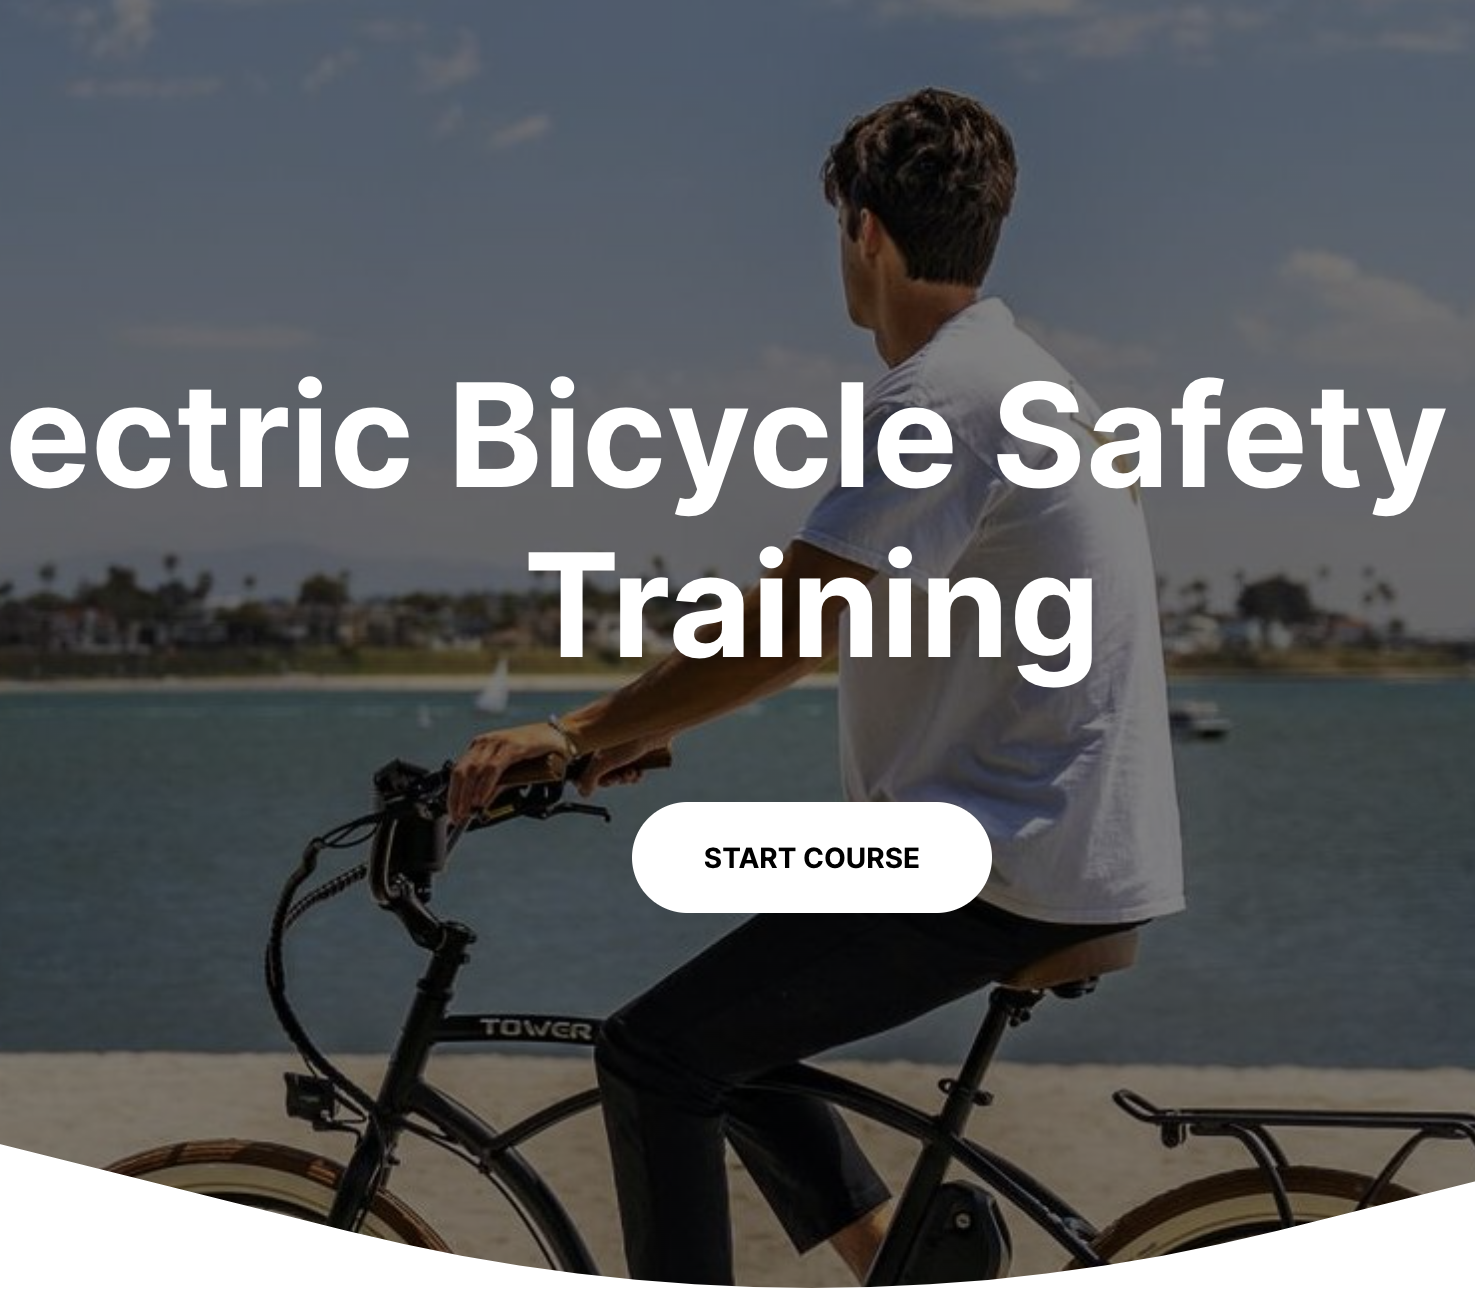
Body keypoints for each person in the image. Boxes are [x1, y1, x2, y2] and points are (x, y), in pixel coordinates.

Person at [447, 87, 1183, 1285]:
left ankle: (882, 1253)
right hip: (1040, 835)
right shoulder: (1025, 380)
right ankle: (894, 1260)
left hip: (1002, 861)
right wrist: (642, 730)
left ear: (867, 235)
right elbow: (867, 622)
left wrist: (572, 733)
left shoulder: (943, 398)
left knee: (654, 1054)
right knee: (727, 1005)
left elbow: (797, 622)